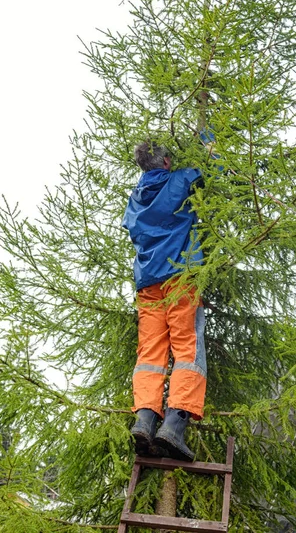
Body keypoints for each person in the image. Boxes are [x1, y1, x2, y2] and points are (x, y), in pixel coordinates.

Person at [122, 140, 207, 461]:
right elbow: (214, 170)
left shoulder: (136, 198)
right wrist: (208, 142)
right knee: (187, 348)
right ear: (167, 161)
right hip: (180, 277)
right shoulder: (180, 179)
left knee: (150, 353)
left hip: (148, 283)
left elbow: (133, 229)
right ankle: (174, 425)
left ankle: (144, 420)